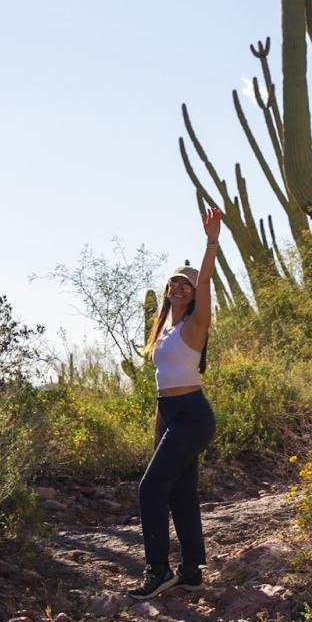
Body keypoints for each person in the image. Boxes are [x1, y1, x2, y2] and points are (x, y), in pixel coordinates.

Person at [129, 205, 222, 601]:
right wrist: (159, 421)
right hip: (168, 414)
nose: (181, 286)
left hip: (193, 415)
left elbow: (204, 285)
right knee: (180, 492)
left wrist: (211, 241)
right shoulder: (164, 327)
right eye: (174, 282)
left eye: (186, 283)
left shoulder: (195, 324)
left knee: (150, 489)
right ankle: (191, 571)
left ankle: (158, 570)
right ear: (167, 290)